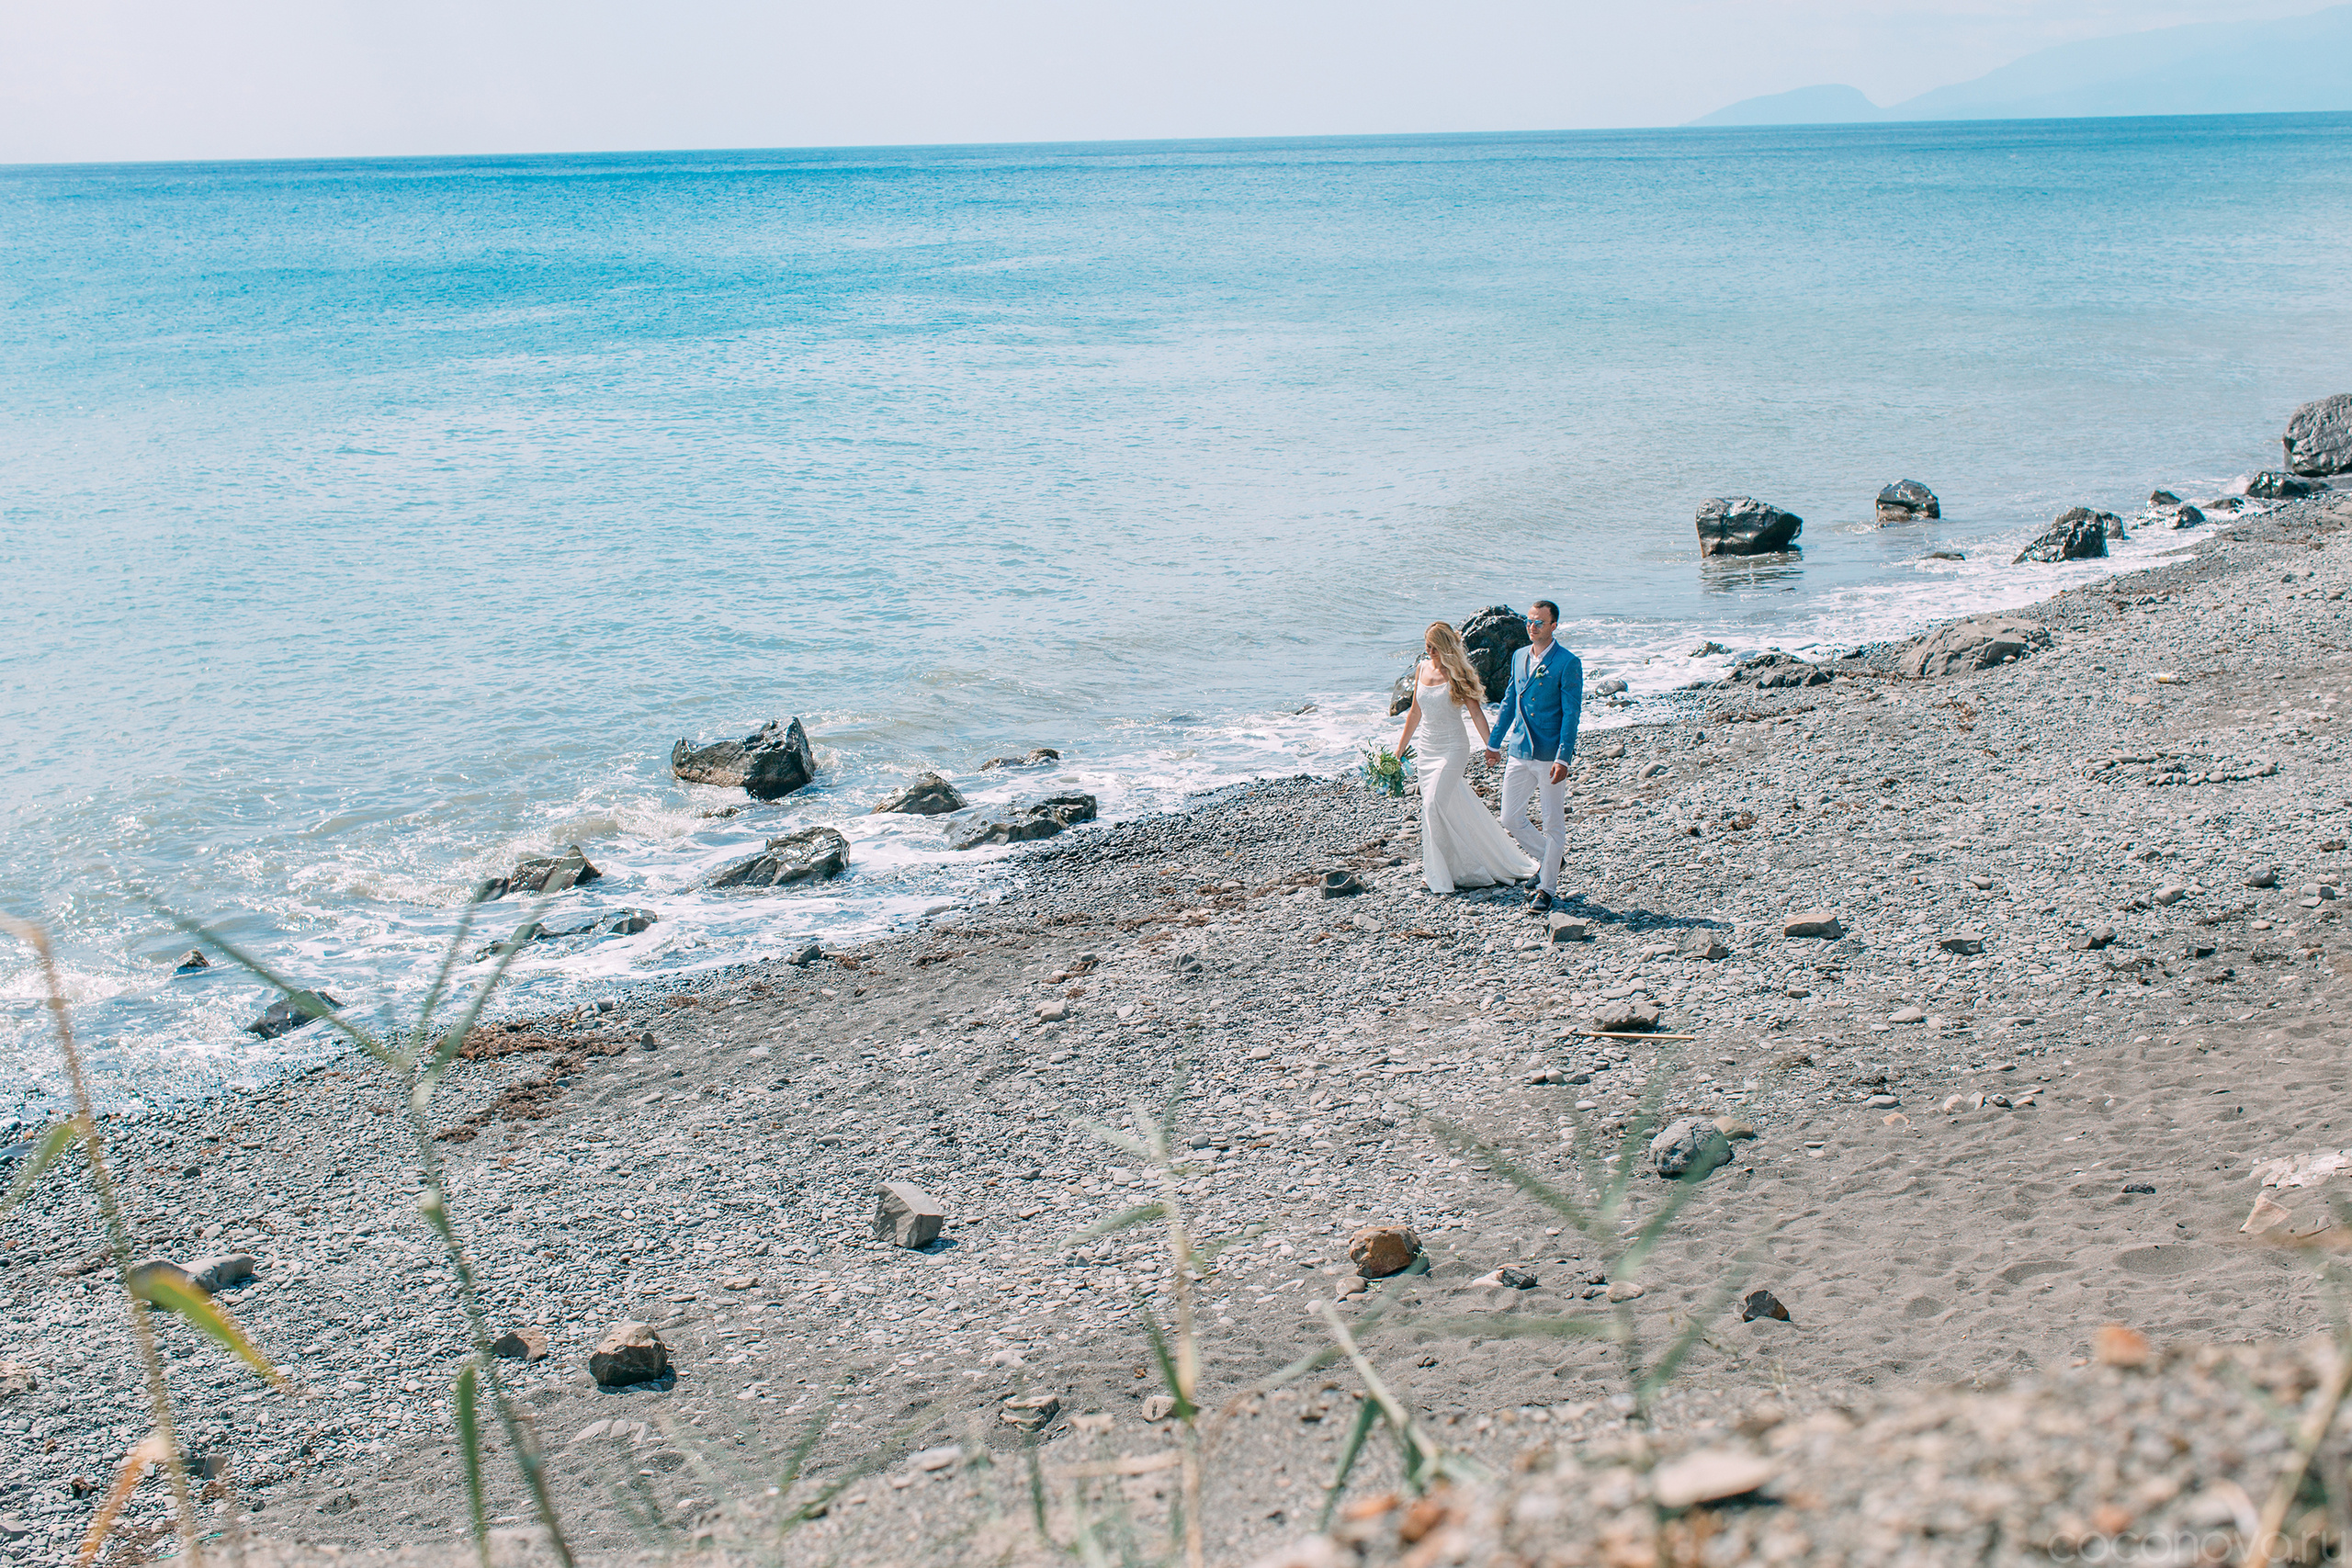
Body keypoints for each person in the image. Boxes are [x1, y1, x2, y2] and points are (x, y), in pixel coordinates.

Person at [1392, 623, 1536, 894]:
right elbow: (1414, 713)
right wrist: (1399, 750)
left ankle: (1443, 873)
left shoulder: (1459, 675)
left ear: (1446, 647)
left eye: (1434, 646)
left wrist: (1491, 746)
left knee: (1433, 805)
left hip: (1453, 748)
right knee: (1442, 807)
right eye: (1427, 644)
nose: (1429, 650)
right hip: (1427, 749)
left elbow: (1477, 714)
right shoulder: (1422, 668)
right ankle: (1443, 867)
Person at [1484, 600, 1582, 912]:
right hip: (1519, 749)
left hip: (1550, 755)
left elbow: (1571, 714)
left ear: (1554, 625)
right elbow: (1510, 701)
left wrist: (1563, 757)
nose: (1532, 626)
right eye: (1529, 621)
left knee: (1554, 824)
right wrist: (1494, 743)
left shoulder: (1568, 663)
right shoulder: (1518, 657)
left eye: (1539, 622)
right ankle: (1553, 858)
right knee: (1510, 817)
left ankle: (1547, 888)